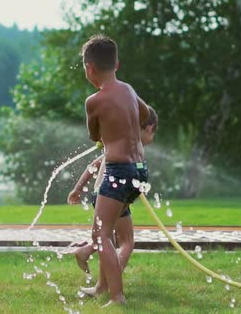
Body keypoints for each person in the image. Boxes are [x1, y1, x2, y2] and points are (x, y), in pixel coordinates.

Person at [79, 34, 151, 306]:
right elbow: (146, 113)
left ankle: (117, 297)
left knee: (100, 235)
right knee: (108, 232)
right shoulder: (129, 90)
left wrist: (109, 131)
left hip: (118, 172)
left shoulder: (94, 101)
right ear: (117, 64)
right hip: (139, 170)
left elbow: (93, 134)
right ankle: (100, 287)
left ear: (89, 68)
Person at [67, 108, 157, 279]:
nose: (151, 141)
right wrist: (77, 189)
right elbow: (96, 164)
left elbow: (94, 165)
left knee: (110, 237)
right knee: (126, 242)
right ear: (149, 128)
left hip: (106, 194)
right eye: (152, 135)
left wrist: (78, 189)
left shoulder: (122, 143)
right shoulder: (127, 147)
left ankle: (87, 252)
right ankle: (107, 277)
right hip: (109, 194)